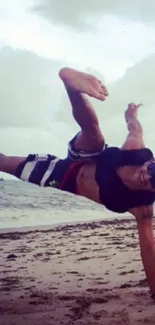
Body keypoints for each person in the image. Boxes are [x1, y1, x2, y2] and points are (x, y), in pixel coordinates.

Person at [1, 67, 155, 297]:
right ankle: (72, 86)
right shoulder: (136, 151)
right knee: (94, 134)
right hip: (85, 156)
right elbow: (134, 127)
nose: (148, 176)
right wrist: (131, 114)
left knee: (3, 162)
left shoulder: (142, 208)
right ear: (149, 162)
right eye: (153, 170)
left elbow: (149, 250)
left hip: (61, 176)